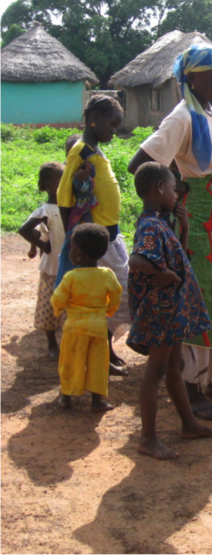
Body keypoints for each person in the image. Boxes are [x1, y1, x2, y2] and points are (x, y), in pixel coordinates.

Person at [128, 44, 212, 422]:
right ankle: (191, 388)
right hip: (200, 225)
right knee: (200, 303)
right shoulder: (182, 117)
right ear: (192, 79)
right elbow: (142, 164)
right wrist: (179, 190)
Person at [127, 163, 212, 460]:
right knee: (155, 372)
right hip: (161, 311)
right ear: (158, 188)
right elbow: (136, 260)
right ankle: (148, 438)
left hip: (171, 310)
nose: (176, 195)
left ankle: (189, 424)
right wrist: (163, 272)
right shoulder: (151, 225)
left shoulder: (161, 221)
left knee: (174, 368)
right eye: (172, 189)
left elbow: (178, 258)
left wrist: (184, 229)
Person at [56, 95, 130, 377]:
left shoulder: (94, 149)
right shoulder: (81, 151)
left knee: (116, 294)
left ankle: (106, 349)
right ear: (93, 119)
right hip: (97, 238)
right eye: (111, 123)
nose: (114, 129)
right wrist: (74, 238)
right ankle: (100, 354)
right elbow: (65, 196)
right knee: (111, 294)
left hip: (112, 233)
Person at [51, 223, 121, 413]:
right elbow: (116, 295)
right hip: (98, 327)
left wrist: (58, 311)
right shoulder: (107, 275)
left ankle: (66, 395)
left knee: (70, 361)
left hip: (74, 327)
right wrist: (108, 311)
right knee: (97, 364)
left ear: (80, 254)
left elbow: (58, 299)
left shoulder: (71, 277)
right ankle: (97, 401)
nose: (70, 251)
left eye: (72, 247)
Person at [18, 162, 65, 360]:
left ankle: (66, 341)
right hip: (51, 268)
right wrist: (42, 246)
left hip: (68, 267)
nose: (65, 183)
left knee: (67, 306)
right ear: (47, 185)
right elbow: (24, 229)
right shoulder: (45, 210)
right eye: (60, 179)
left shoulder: (69, 206)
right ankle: (51, 343)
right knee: (49, 307)